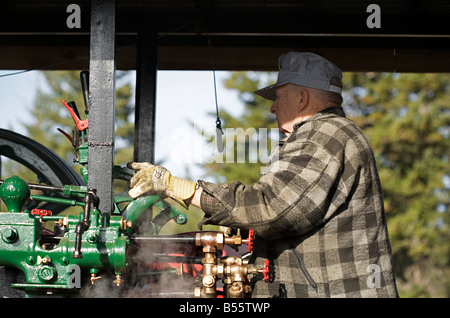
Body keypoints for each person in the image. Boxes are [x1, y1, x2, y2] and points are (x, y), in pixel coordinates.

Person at [127, 51, 399, 298]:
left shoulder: (327, 134)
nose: (272, 108)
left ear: (302, 98)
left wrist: (182, 188)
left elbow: (272, 209)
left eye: (278, 98)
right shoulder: (323, 136)